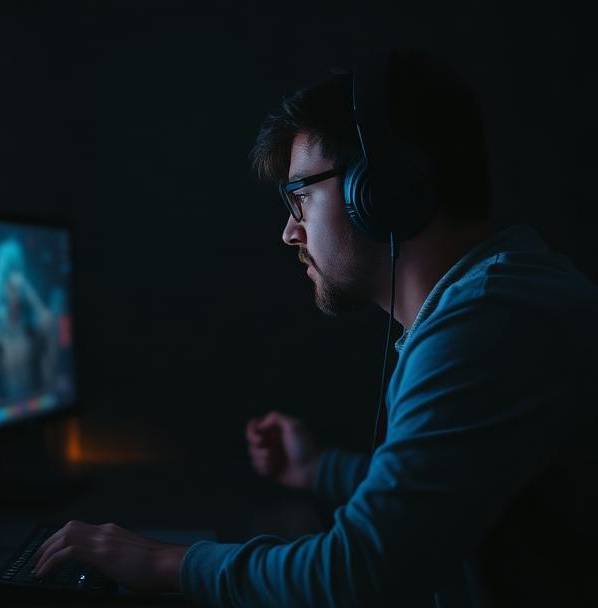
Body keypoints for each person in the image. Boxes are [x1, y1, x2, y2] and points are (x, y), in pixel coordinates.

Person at [31, 49, 598, 606]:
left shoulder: (487, 323)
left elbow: (358, 572)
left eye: (300, 195)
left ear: (380, 191)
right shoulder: (500, 297)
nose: (289, 231)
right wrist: (315, 469)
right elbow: (442, 492)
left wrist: (163, 562)